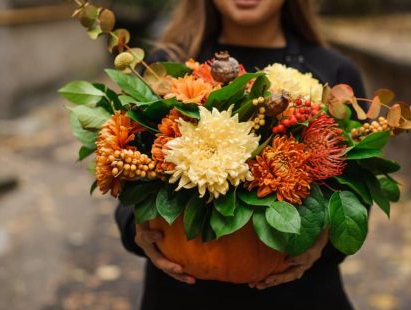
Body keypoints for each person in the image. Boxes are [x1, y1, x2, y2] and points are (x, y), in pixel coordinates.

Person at [115, 0, 366, 309]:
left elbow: (358, 189)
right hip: (184, 296)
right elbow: (124, 175)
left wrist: (324, 242)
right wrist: (136, 229)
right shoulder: (162, 70)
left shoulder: (334, 75)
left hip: (300, 297)